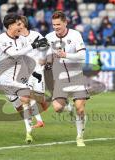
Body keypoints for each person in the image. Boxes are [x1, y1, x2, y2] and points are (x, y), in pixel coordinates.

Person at [45, 11, 105, 147]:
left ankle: (79, 137)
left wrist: (65, 54)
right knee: (57, 108)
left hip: (76, 76)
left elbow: (82, 56)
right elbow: (47, 56)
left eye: (58, 24)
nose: (56, 27)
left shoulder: (75, 35)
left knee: (81, 109)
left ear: (65, 22)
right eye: (54, 25)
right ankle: (69, 108)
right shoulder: (48, 37)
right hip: (59, 79)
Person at [0, 14, 49, 144]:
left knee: (26, 98)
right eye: (18, 24)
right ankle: (32, 123)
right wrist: (34, 45)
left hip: (19, 78)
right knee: (20, 109)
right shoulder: (1, 39)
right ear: (10, 26)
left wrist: (34, 72)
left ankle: (28, 133)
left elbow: (26, 57)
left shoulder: (22, 40)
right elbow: (14, 54)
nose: (21, 27)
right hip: (5, 80)